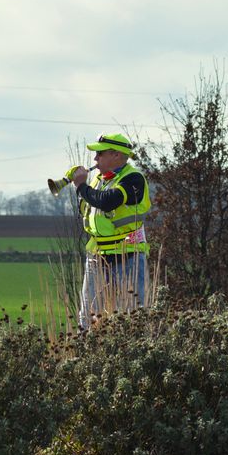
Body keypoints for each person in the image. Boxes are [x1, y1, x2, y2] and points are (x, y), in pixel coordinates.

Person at [68, 132, 150, 330]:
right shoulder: (99, 180)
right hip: (98, 256)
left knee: (134, 313)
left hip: (127, 255)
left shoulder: (133, 178)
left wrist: (80, 185)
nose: (95, 159)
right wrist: (84, 188)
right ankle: (85, 353)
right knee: (88, 314)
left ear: (116, 155)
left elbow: (107, 201)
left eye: (100, 154)